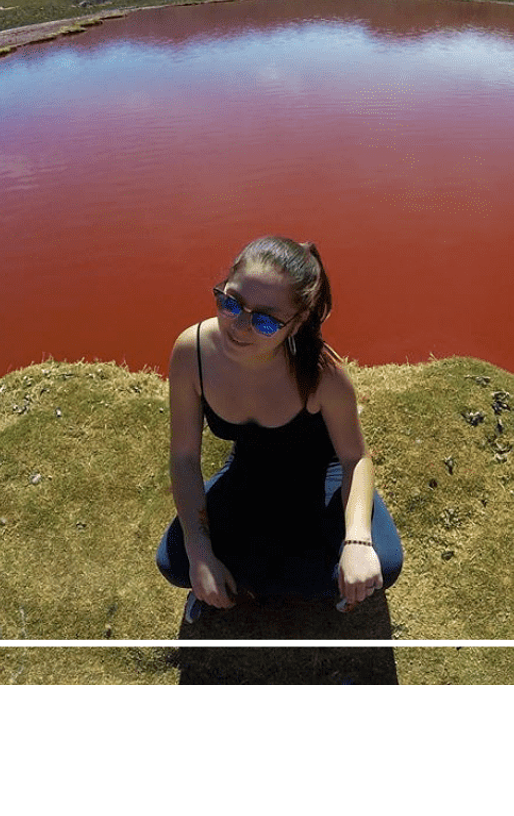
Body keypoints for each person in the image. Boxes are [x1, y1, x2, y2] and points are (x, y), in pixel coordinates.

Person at [156, 236, 403, 621]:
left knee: (383, 562)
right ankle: (290, 579)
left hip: (322, 476)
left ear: (298, 321)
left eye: (266, 319)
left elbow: (356, 458)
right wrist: (200, 553)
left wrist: (356, 540)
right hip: (248, 471)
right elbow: (184, 456)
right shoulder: (192, 352)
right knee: (174, 562)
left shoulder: (323, 374)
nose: (239, 326)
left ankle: (269, 579)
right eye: (231, 302)